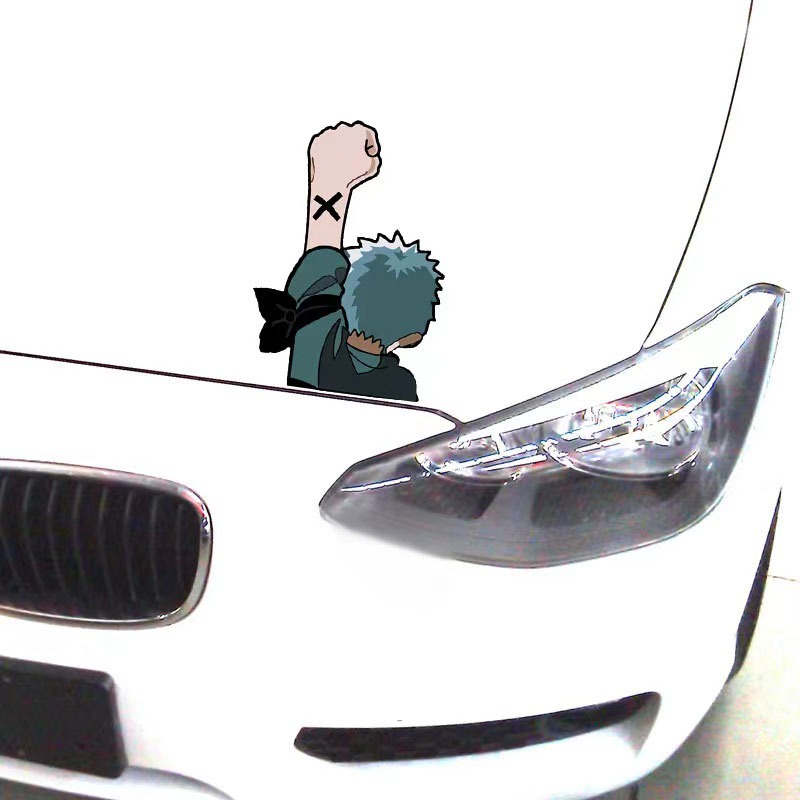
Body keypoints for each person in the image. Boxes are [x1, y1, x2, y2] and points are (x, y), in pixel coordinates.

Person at [255, 122, 443, 402]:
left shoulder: (316, 340)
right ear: (414, 336)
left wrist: (331, 182)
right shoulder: (400, 385)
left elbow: (320, 267)